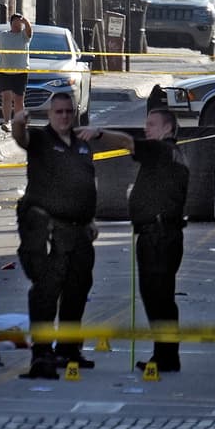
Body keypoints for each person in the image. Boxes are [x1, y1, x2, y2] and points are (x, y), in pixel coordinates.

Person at [81, 108, 188, 375]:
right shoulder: (172, 155)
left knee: (157, 298)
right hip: (161, 234)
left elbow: (128, 143)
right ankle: (166, 355)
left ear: (168, 129)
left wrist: (99, 133)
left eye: (152, 125)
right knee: (160, 298)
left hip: (158, 236)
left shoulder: (162, 150)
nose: (146, 129)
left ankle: (165, 357)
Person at [12, 90, 98, 379]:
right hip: (46, 231)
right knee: (46, 293)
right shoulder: (40, 140)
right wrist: (19, 122)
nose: (63, 117)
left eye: (68, 112)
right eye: (58, 112)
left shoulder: (82, 144)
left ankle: (69, 349)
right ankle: (42, 354)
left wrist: (91, 219)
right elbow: (20, 138)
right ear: (49, 114)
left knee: (77, 291)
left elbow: (86, 183)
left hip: (79, 231)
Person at [0, 11, 33, 129]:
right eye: (16, 22)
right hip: (4, 71)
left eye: (20, 22)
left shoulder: (24, 36)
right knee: (6, 97)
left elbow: (29, 31)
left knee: (18, 99)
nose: (18, 25)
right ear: (11, 23)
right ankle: (6, 121)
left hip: (20, 72)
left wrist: (25, 21)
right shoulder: (3, 35)